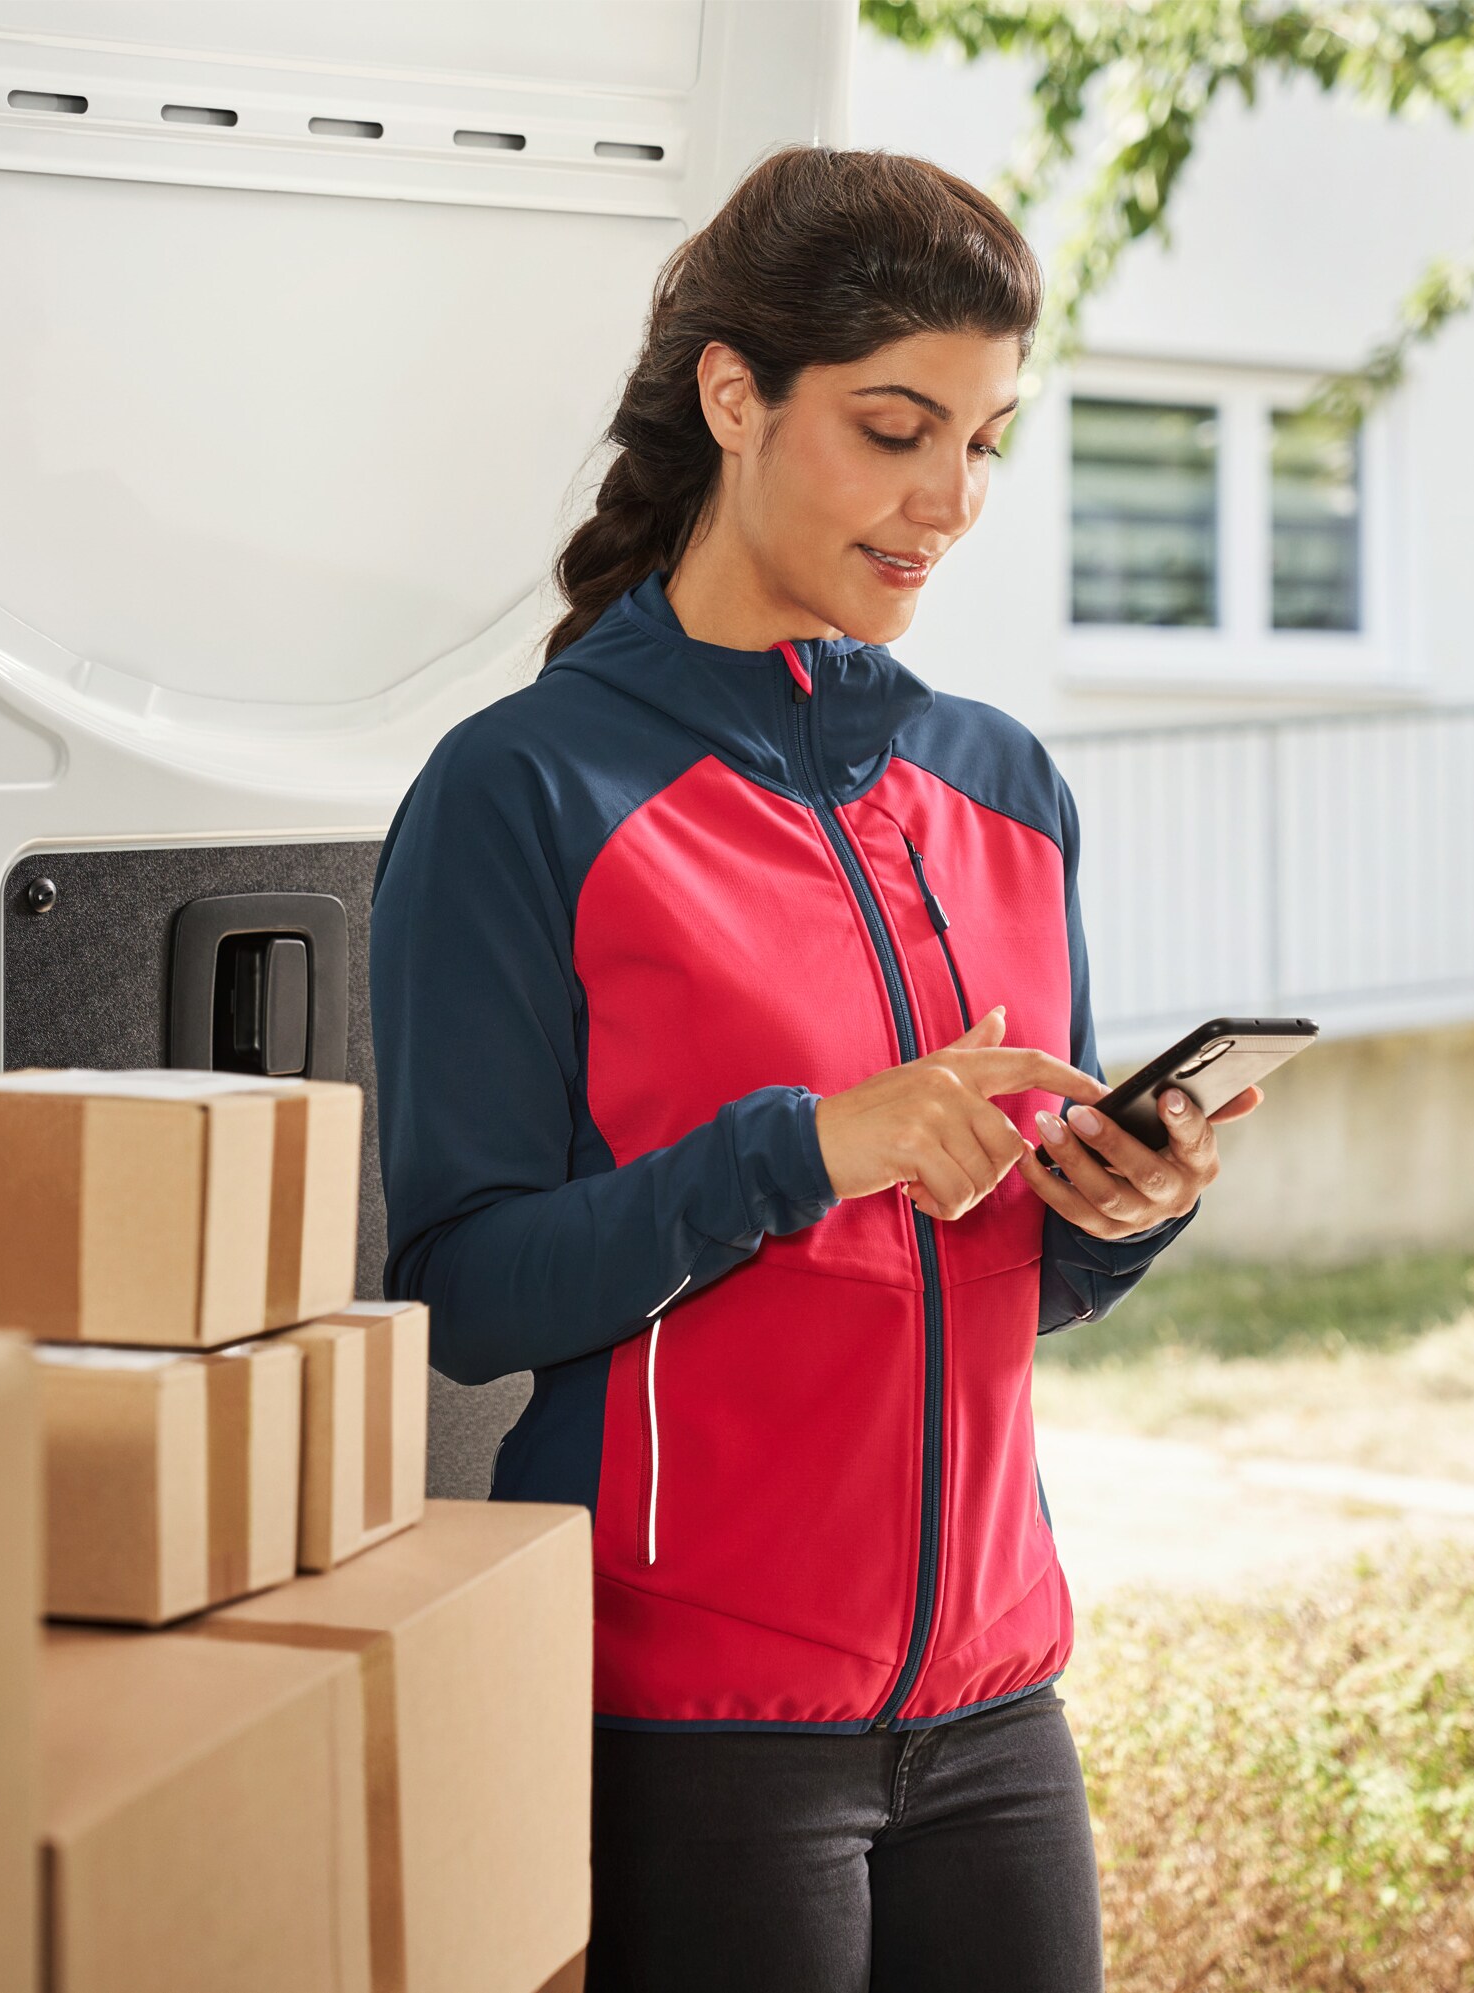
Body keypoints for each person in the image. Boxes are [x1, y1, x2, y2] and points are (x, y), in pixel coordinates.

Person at [370, 145, 1262, 1993]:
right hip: (689, 1713)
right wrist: (802, 1146)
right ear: (733, 395)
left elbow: (1003, 1274)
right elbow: (463, 1289)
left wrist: (1119, 1211)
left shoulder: (1003, 785)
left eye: (985, 438)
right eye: (891, 426)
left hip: (999, 1698)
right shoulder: (525, 791)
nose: (948, 499)